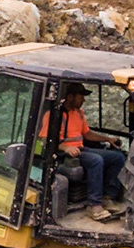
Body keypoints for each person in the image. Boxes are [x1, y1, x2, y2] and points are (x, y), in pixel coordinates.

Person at [40, 84, 126, 221]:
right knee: (96, 160)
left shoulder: (79, 113)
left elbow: (87, 134)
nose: (84, 100)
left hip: (80, 150)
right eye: (81, 96)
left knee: (117, 157)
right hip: (62, 154)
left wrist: (108, 139)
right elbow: (45, 140)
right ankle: (94, 205)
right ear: (70, 97)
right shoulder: (53, 115)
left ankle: (107, 197)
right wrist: (65, 148)